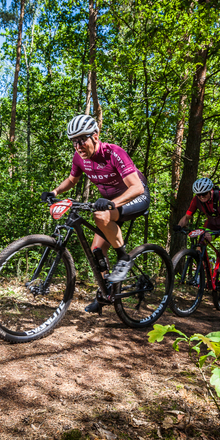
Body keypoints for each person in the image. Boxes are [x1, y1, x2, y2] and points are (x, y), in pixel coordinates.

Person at [41, 114, 150, 313]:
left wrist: (111, 204)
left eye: (82, 140)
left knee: (100, 216)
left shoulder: (114, 153)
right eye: (74, 142)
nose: (78, 146)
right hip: (109, 204)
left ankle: (124, 259)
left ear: (96, 136)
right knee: (96, 251)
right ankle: (105, 294)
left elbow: (136, 188)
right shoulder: (80, 158)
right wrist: (55, 192)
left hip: (135, 198)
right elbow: (72, 180)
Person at [173, 177, 220, 290]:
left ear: (210, 190)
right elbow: (187, 217)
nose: (201, 197)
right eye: (199, 194)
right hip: (211, 224)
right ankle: (200, 273)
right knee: (200, 242)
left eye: (204, 194)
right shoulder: (196, 200)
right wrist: (178, 226)